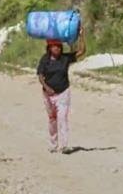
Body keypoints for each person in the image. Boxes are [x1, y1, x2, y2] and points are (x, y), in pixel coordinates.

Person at [36, 24, 86, 154]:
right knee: (52, 119)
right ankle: (53, 144)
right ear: (49, 47)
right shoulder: (45, 59)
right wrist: (47, 87)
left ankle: (64, 145)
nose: (57, 48)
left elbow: (82, 51)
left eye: (59, 46)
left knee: (62, 118)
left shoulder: (65, 58)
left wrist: (82, 35)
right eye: (54, 46)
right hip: (48, 94)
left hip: (63, 92)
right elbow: (40, 76)